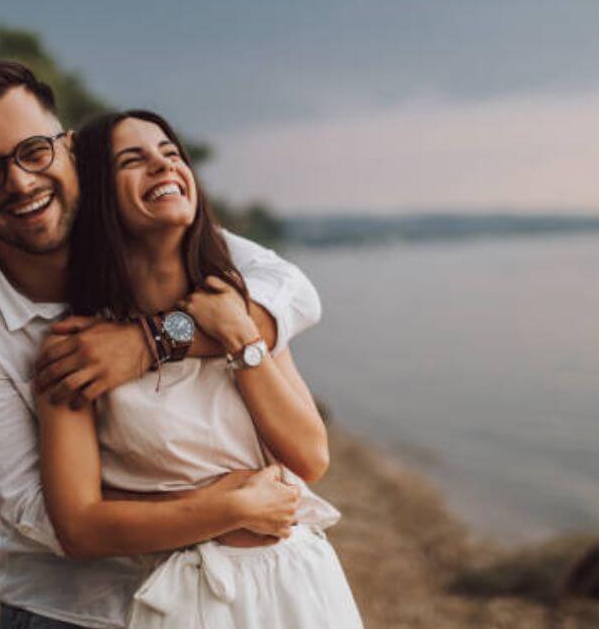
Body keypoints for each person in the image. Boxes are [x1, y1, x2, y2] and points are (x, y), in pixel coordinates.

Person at [0, 60, 323, 628]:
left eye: (34, 152)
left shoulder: (153, 233)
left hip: (242, 593)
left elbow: (293, 294)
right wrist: (225, 507)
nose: (21, 182)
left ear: (70, 150)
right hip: (74, 609)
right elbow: (50, 520)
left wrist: (155, 341)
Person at [36, 109, 363, 628]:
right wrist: (231, 508)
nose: (163, 167)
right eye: (133, 160)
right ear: (98, 193)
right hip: (193, 599)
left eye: (171, 154)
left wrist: (238, 338)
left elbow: (309, 456)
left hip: (298, 581)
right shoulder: (80, 348)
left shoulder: (239, 309)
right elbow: (80, 529)